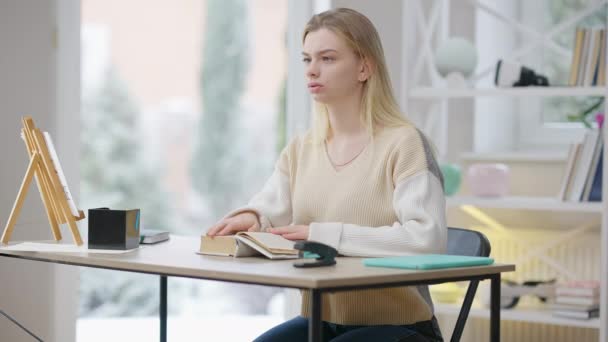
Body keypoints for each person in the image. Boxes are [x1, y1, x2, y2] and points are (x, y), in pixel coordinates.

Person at [206, 7, 446, 342]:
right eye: (306, 59)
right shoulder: (302, 148)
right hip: (323, 322)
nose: (312, 71)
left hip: (398, 326)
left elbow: (427, 240)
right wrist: (252, 217)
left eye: (328, 59)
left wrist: (324, 235)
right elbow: (270, 210)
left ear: (364, 67)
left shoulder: (404, 143)